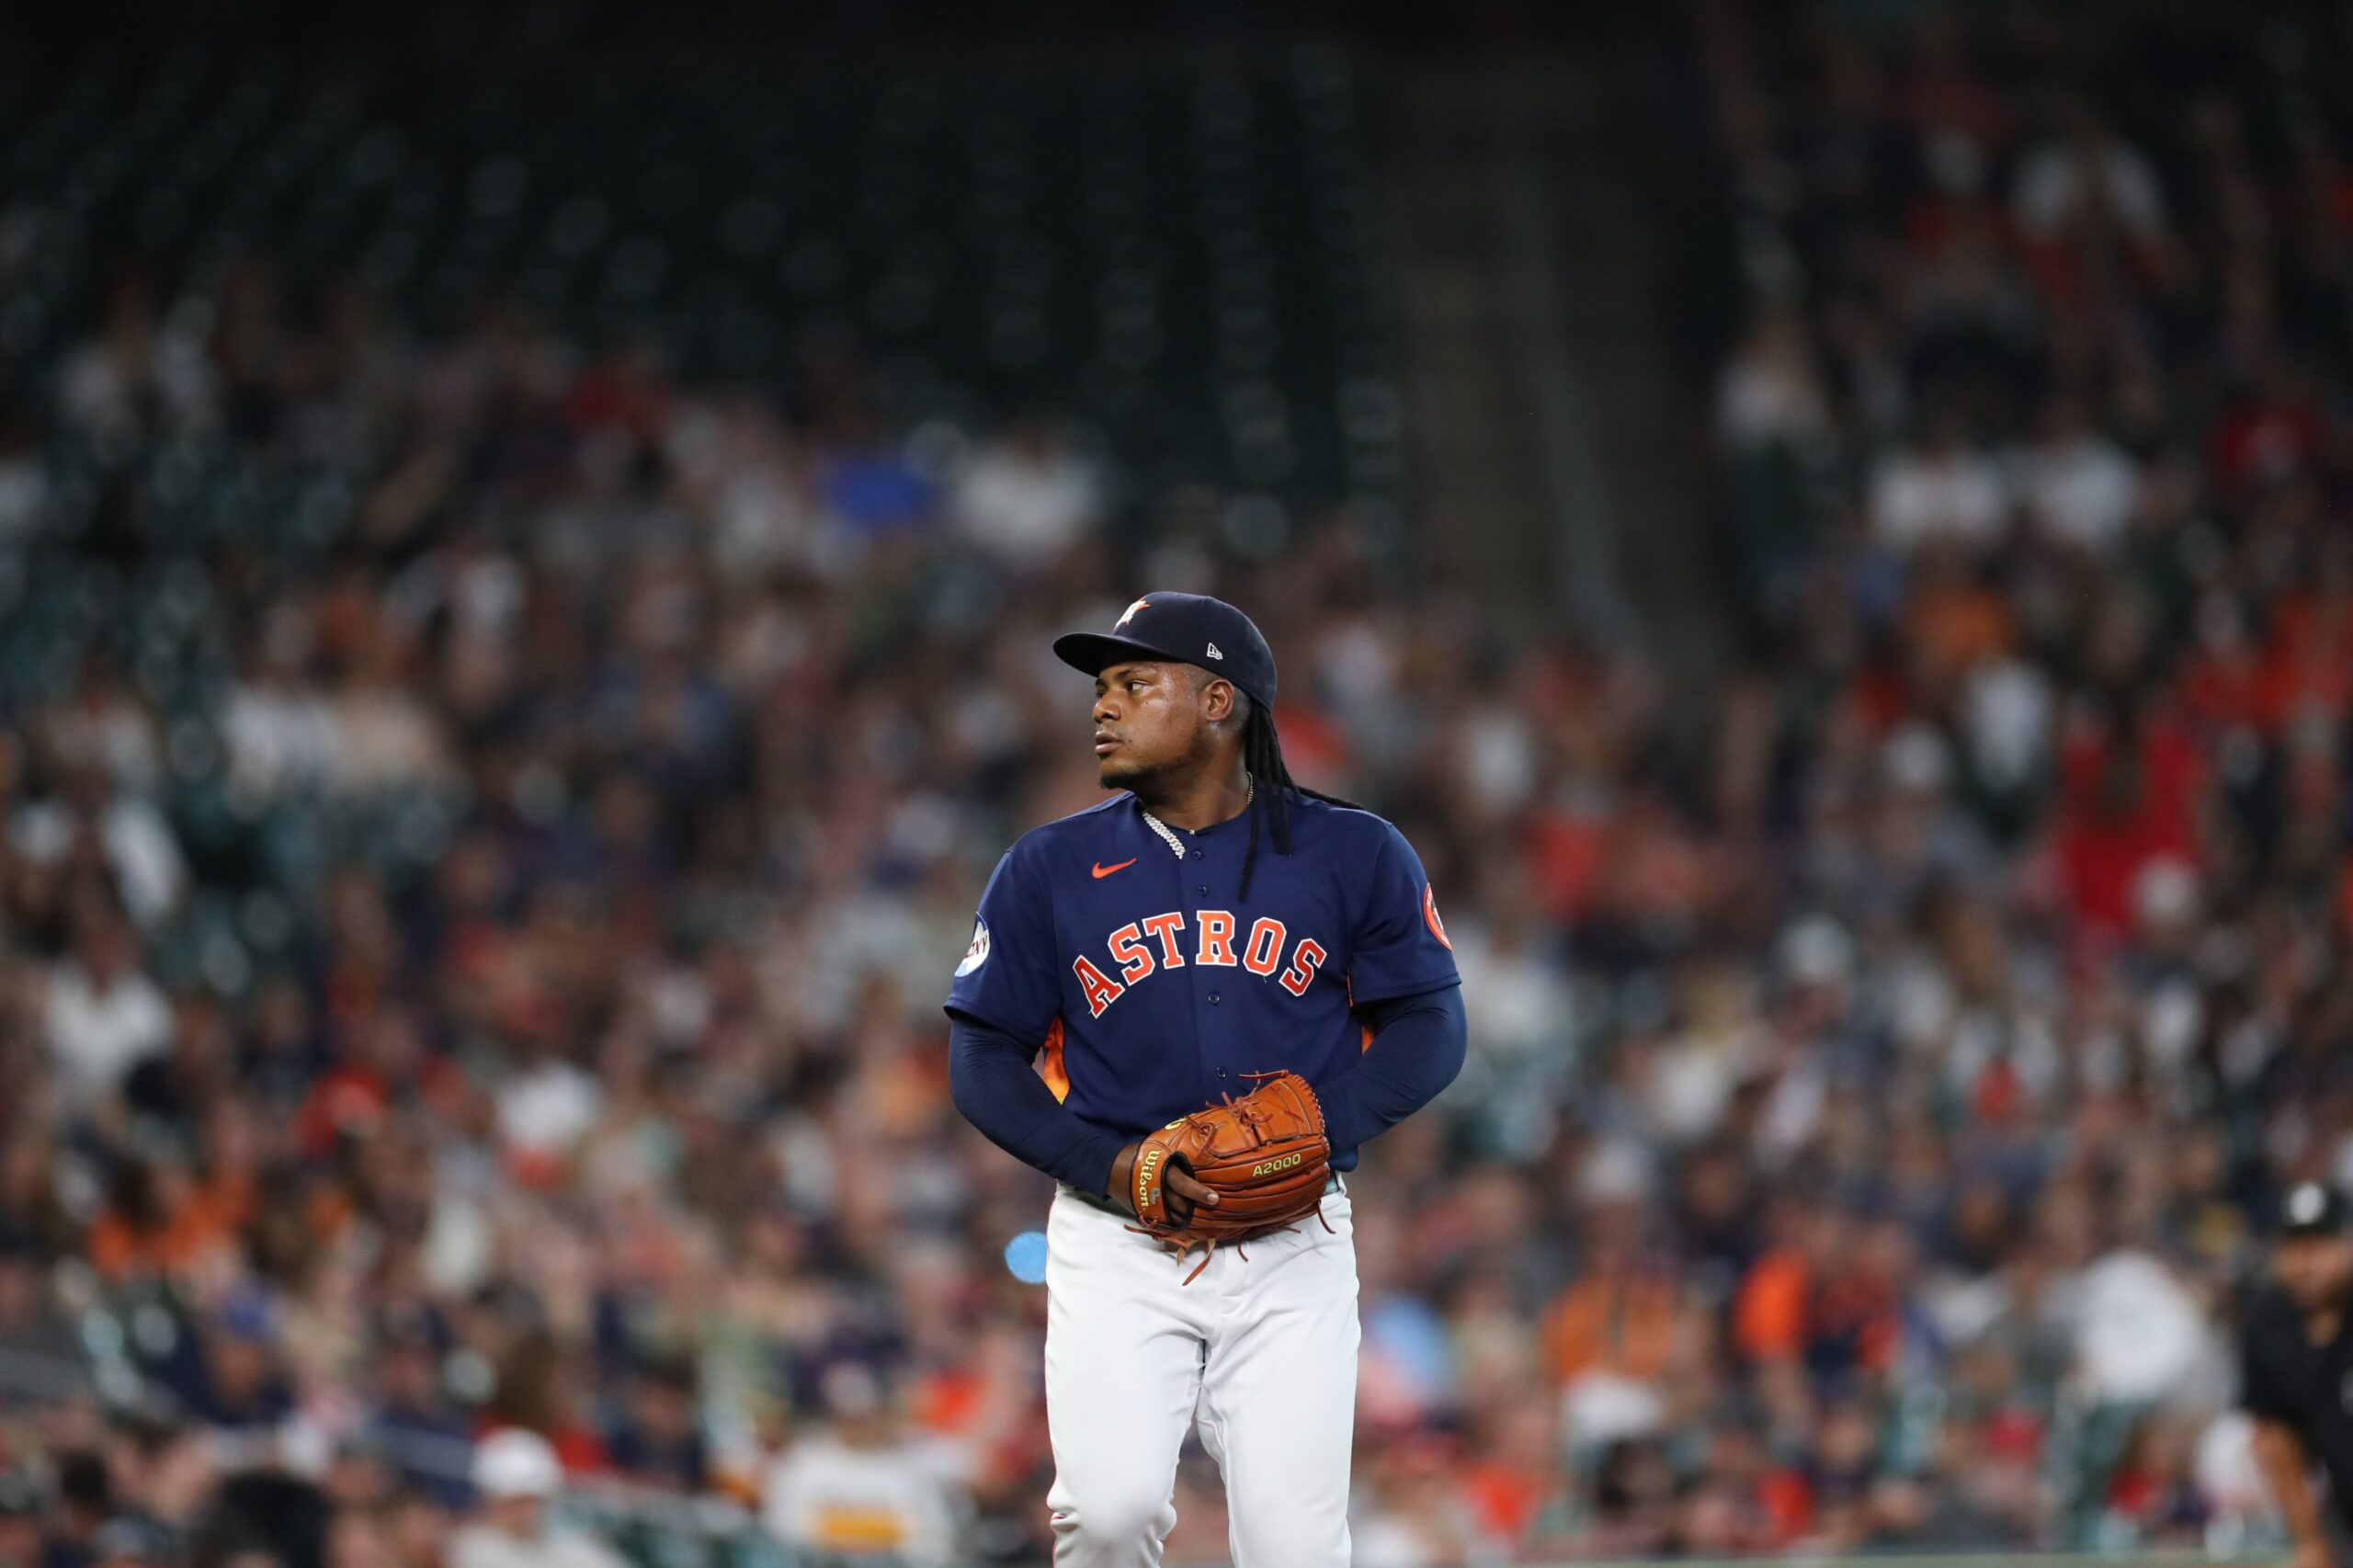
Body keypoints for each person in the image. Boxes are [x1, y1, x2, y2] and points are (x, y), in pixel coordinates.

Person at [946, 593, 1469, 1567]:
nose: (1103, 705)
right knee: (1107, 1514)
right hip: (1117, 1232)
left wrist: (1314, 1130)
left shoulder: (1353, 851)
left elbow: (1432, 1025)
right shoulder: (1048, 866)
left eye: (1134, 683)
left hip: (1292, 1235)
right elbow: (980, 1057)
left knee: (1295, 1546)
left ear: (1218, 701)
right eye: (1101, 688)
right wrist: (1107, 1165)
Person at [2240, 1181, 2353, 1568]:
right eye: (2293, 1246)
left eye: (2318, 1245)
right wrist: (2309, 1539)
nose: (2305, 1262)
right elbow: (2274, 1434)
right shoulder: (2270, 1321)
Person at [447, 1432, 624, 1568]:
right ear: (490, 1501)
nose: (527, 1512)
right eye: (516, 1503)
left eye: (534, 1501)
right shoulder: (473, 1550)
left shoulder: (571, 1545)